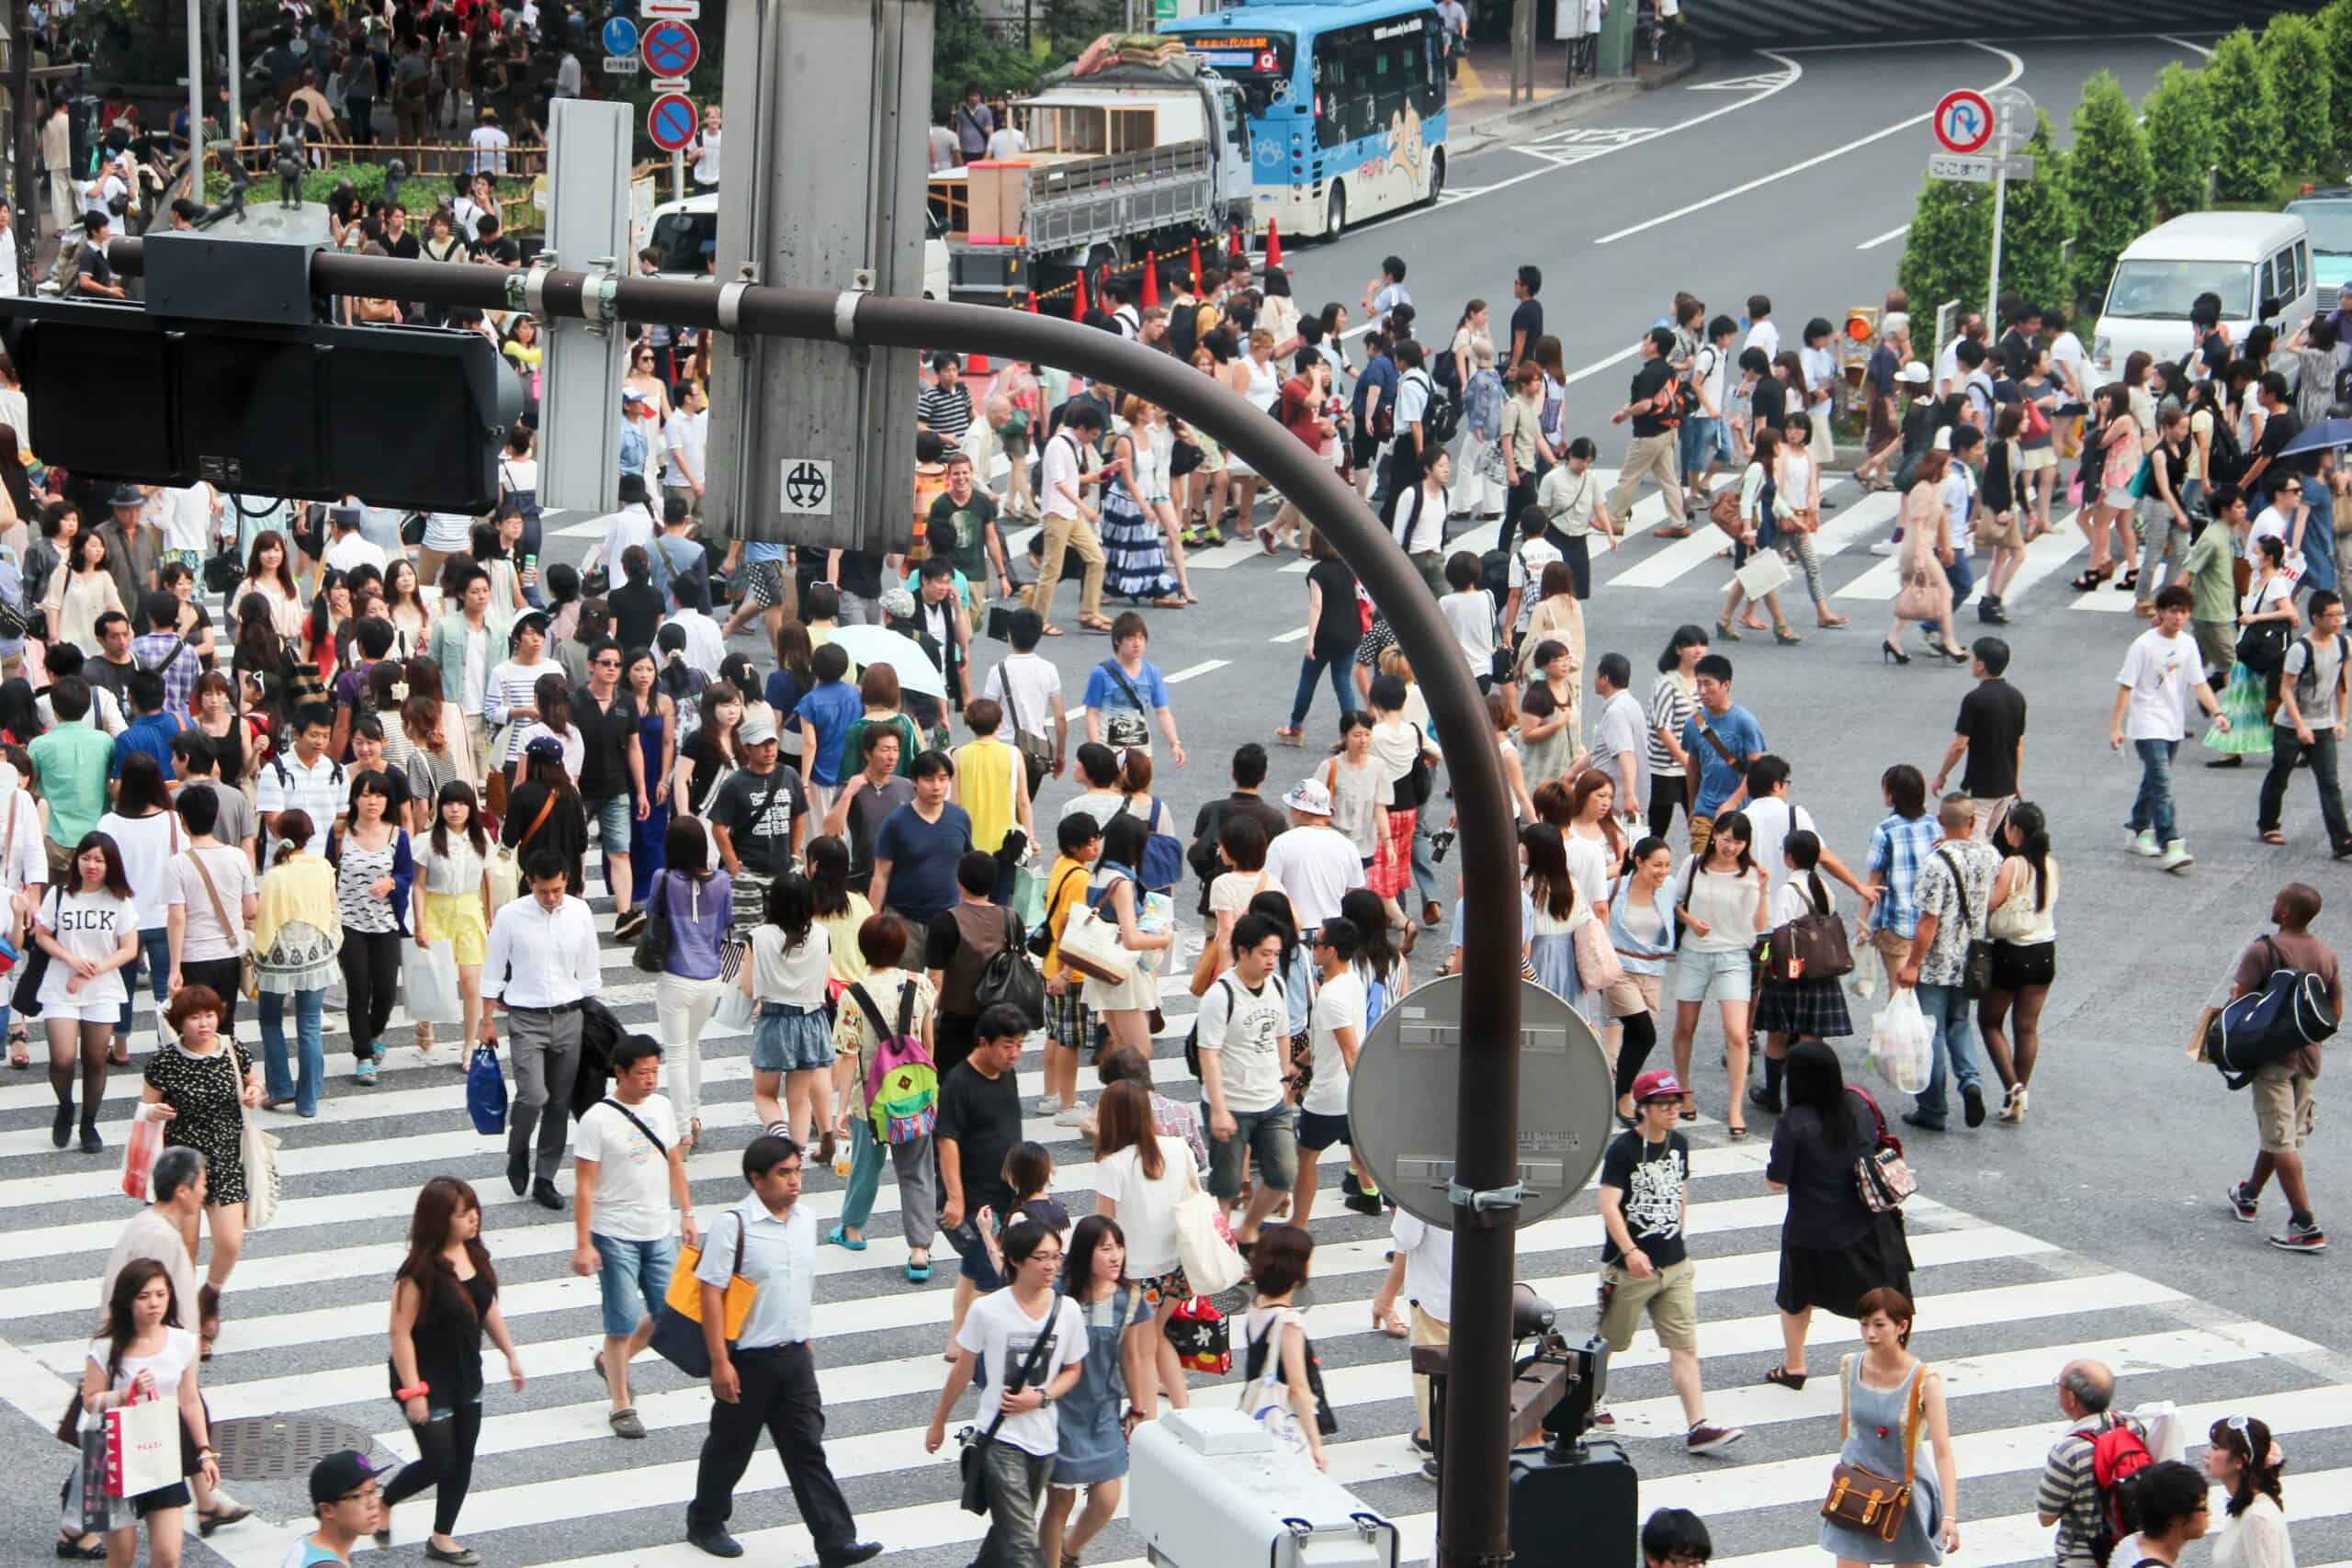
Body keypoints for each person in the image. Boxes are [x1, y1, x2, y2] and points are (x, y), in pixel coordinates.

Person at [685, 1134, 882, 1563]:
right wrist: (720, 1362)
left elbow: (798, 1282)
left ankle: (835, 1541)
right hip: (747, 1360)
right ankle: (705, 1519)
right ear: (757, 1179)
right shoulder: (734, 1225)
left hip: (794, 1357)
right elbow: (710, 1294)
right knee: (730, 1447)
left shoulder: (805, 1218)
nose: (795, 1181)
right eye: (783, 1173)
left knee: (807, 1448)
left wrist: (803, 1334)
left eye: (797, 1171)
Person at [923, 1216, 1090, 1568]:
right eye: (1041, 1258)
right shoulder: (988, 1309)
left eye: (1056, 1257)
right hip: (999, 1439)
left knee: (1007, 1533)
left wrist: (1042, 1396)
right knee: (1021, 1545)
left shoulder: (1068, 1311)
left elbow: (1074, 1369)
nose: (1051, 1266)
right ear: (1015, 1260)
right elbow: (963, 1368)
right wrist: (938, 1422)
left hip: (1043, 1441)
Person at [1595, 1068, 1743, 1455]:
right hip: (1628, 1268)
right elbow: (1609, 1206)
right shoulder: (1623, 1150)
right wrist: (1630, 1251)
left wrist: (1678, 1232)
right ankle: (1589, 1400)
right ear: (1642, 1109)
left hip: (1674, 1265)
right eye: (1663, 1104)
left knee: (1685, 1347)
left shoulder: (1679, 1143)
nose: (1673, 1109)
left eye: (1675, 1102)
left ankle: (1698, 1425)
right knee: (1610, 1342)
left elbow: (1681, 1189)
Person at [382, 1177, 523, 1562]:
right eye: (463, 1213)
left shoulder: (474, 1255)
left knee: (463, 1458)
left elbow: (486, 1305)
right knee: (437, 1461)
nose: (474, 1218)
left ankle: (442, 1537)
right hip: (426, 1378)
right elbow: (399, 1333)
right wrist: (413, 1391)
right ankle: (385, 1501)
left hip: (465, 1374)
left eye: (474, 1209)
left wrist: (510, 1353)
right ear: (440, 1220)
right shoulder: (419, 1272)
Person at [1764, 1043, 1913, 1389]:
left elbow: (1777, 1180)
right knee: (1887, 1299)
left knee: (1796, 1296)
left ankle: (1794, 1366)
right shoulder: (1859, 1103)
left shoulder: (1794, 1121)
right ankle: (1892, 1367)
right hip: (1870, 1223)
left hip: (1811, 1230)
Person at [572, 1035, 696, 1442]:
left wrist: (687, 1214)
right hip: (614, 1234)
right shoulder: (597, 1120)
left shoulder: (661, 1107)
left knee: (669, 1317)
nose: (649, 1080)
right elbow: (585, 1186)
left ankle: (613, 1363)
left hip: (659, 1229)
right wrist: (583, 1242)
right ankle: (621, 1402)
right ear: (619, 1073)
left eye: (654, 1071)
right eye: (641, 1072)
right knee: (622, 1320)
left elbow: (674, 1161)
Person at [139, 985, 261, 1357]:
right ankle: (189, 1324)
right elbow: (145, 1108)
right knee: (185, 1250)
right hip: (182, 1167)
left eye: (209, 1015)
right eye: (194, 1017)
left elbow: (253, 1079)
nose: (204, 1023)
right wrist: (154, 1113)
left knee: (230, 1242)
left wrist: (255, 1091)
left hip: (226, 1159)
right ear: (179, 1023)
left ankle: (210, 1295)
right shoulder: (165, 1062)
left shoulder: (232, 1049)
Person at [72, 1260, 215, 1568]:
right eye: (144, 1296)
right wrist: (126, 1394)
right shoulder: (106, 1346)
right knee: (121, 1557)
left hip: (160, 1448)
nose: (154, 1304)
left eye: (160, 1295)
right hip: (109, 1452)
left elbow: (189, 1400)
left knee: (167, 1556)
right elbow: (90, 1401)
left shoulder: (183, 1342)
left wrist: (204, 1452)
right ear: (127, 1300)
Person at [482, 852, 603, 1212]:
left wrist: (591, 1014)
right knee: (532, 1095)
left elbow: (590, 969)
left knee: (558, 1103)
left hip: (570, 1017)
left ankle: (546, 1177)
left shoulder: (580, 913)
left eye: (558, 890)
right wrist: (486, 1021)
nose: (552, 898)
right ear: (530, 882)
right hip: (526, 1019)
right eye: (544, 891)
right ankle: (517, 1151)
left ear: (567, 881)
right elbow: (492, 972)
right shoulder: (510, 917)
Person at [2224, 883, 2341, 1252]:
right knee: (2282, 1133)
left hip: (2272, 1060)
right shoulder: (2325, 953)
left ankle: (2305, 1224)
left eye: (2278, 902)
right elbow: (2335, 1011)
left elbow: (2240, 1001)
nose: (2274, 906)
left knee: (2281, 1139)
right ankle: (2249, 1194)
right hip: (2307, 1059)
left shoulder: (2264, 950)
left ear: (2286, 912)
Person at [826, 914, 940, 1277]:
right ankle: (920, 1250)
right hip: (912, 1097)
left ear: (863, 950)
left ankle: (854, 1229)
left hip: (869, 1100)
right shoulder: (920, 985)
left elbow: (847, 1057)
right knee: (918, 1172)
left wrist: (840, 1110)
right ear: (902, 947)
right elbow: (927, 1042)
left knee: (865, 1166)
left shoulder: (852, 996)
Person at [1817, 1289, 1960, 1564]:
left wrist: (1949, 1516)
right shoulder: (1850, 1366)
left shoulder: (1924, 1380)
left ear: (1902, 1326)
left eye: (1879, 1325)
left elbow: (1943, 1452)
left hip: (1904, 1495)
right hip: (1856, 1490)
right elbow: (1846, 1424)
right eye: (1864, 1324)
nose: (1870, 1333)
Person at [1897, 795, 2001, 1134]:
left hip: (1936, 962)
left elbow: (1929, 920)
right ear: (1972, 822)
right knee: (1960, 1023)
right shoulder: (1991, 856)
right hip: (1971, 959)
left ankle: (1933, 1107)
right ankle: (1971, 1080)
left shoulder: (1936, 863)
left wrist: (1912, 963)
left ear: (1940, 822)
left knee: (1932, 1033)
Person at [35, 831, 140, 1154]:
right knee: (63, 1059)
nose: (91, 865)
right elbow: (42, 936)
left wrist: (94, 969)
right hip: (60, 985)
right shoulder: (59, 895)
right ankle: (66, 1106)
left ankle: (89, 1123)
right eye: (85, 858)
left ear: (110, 865)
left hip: (103, 988)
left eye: (99, 860)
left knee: (95, 1059)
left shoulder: (119, 900)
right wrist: (71, 960)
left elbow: (129, 948)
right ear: (76, 860)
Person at [1198, 911, 1296, 1249]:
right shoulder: (1220, 995)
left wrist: (1286, 1081)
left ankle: (1247, 1230)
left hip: (1271, 1100)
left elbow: (1282, 1035)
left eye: (1276, 954)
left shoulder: (1278, 986)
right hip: (1233, 1104)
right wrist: (1219, 1109)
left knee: (1284, 1175)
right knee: (1225, 1187)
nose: (1271, 961)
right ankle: (1219, 1252)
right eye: (1264, 954)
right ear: (1242, 952)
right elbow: (1207, 1052)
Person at [2115, 587, 2231, 872]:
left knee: (2154, 780)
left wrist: (2217, 712)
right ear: (2162, 612)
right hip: (2146, 724)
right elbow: (2126, 686)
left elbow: (2199, 683)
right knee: (2163, 784)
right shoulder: (2143, 645)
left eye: (2184, 612)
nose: (2179, 617)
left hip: (2172, 724)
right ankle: (2171, 843)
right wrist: (2116, 727)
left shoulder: (2188, 645)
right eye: (2174, 611)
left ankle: (2137, 828)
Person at [1669, 810, 1768, 1136]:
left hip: (1734, 954)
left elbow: (1759, 926)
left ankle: (1734, 1108)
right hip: (1695, 952)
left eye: (1739, 842)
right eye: (1727, 839)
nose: (1732, 847)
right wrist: (1690, 921)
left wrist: (1764, 890)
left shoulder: (1751, 873)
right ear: (1714, 835)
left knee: (1737, 1034)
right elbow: (1676, 902)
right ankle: (1684, 1092)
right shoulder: (1694, 865)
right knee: (1685, 1026)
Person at [252, 812, 338, 1120]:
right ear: (310, 835)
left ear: (278, 835)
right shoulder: (323, 868)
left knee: (271, 1020)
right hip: (315, 951)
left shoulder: (275, 874)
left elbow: (264, 918)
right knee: (310, 1024)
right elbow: (332, 908)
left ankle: (280, 1087)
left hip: (278, 955)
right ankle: (308, 1100)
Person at [328, 771, 412, 1086]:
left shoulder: (397, 835)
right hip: (349, 923)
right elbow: (328, 873)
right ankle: (363, 1054)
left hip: (386, 922)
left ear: (387, 799)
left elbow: (406, 874)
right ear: (354, 799)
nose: (372, 801)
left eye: (377, 795)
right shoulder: (340, 833)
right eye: (365, 794)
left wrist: (392, 883)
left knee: (387, 992)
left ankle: (374, 1033)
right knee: (359, 990)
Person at [2259, 590, 2352, 854]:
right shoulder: (2301, 649)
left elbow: (2342, 685)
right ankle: (2268, 824)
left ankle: (2342, 839)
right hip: (2290, 726)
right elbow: (2286, 690)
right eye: (2332, 616)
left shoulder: (2343, 645)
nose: (2337, 620)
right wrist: (2300, 725)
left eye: (2340, 615)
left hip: (2323, 725)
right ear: (2316, 618)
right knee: (2281, 774)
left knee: (2330, 782)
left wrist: (2341, 719)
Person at [1234, 1225, 1329, 1472]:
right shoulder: (1288, 1323)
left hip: (1257, 1412)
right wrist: (1315, 1443)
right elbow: (1298, 1388)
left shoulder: (1257, 1307)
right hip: (1283, 1420)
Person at [2034, 1360, 2147, 1568]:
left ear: (2070, 1398)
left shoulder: (2069, 1451)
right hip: (2130, 1552)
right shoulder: (2132, 1426)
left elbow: (2046, 1517)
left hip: (2084, 1559)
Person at [1928, 638, 2027, 841]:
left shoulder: (1974, 699)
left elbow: (1960, 745)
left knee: (1975, 841)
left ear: (1981, 665)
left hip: (1983, 784)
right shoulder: (2017, 697)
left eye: (1973, 658)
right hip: (2007, 785)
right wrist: (2015, 780)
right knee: (1990, 839)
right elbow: (2018, 743)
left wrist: (1942, 774)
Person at [1679, 654, 1762, 858]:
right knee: (1699, 870)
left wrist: (1733, 802)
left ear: (1726, 685)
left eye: (1708, 684)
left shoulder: (1745, 722)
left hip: (1739, 815)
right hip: (1704, 813)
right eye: (1698, 684)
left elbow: (1757, 770)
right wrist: (1692, 807)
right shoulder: (1695, 723)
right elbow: (1693, 768)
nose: (1702, 691)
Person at [2203, 1414, 2290, 1568]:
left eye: (2215, 1448)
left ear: (2239, 1461)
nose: (2206, 1453)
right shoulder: (2246, 1508)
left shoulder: (2257, 1518)